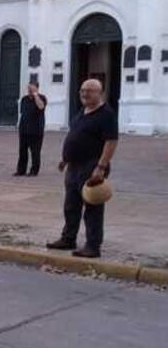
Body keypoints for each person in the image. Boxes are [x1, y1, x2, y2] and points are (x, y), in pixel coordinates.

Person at [47, 79, 119, 258]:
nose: (85, 94)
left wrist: (101, 167)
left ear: (100, 93)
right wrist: (65, 159)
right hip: (74, 166)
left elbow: (111, 142)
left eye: (90, 91)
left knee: (93, 208)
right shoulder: (82, 111)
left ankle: (93, 246)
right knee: (71, 206)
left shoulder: (106, 114)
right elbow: (75, 135)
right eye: (82, 91)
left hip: (92, 166)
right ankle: (68, 239)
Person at [14, 82, 47, 177]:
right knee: (22, 151)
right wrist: (19, 124)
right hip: (24, 129)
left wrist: (36, 96)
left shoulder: (42, 98)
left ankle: (34, 171)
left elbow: (41, 107)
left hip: (36, 130)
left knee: (35, 152)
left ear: (37, 88)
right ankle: (21, 170)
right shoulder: (24, 99)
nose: (29, 91)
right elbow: (22, 113)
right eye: (28, 89)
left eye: (32, 89)